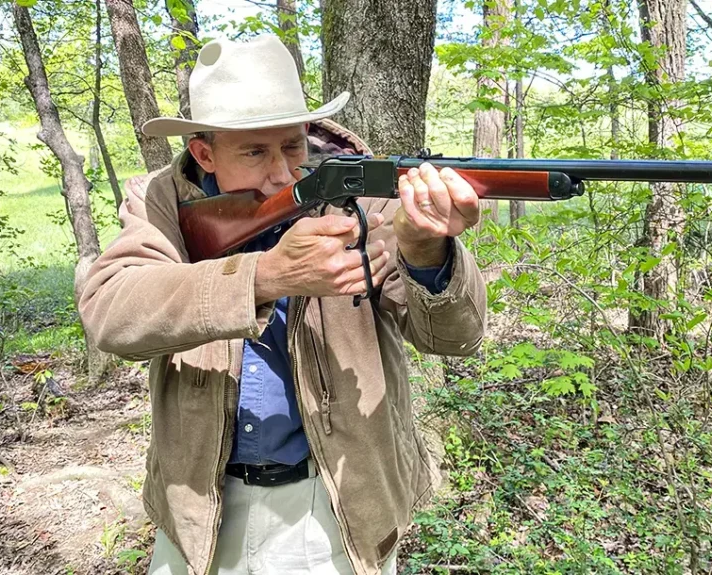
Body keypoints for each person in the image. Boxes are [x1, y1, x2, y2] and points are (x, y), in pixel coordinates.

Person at [77, 35, 487, 575]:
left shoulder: (364, 192)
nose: (281, 171)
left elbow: (456, 337)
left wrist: (425, 248)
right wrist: (265, 276)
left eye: (293, 146)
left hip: (339, 501)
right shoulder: (162, 201)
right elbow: (111, 313)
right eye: (254, 151)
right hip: (198, 504)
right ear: (204, 153)